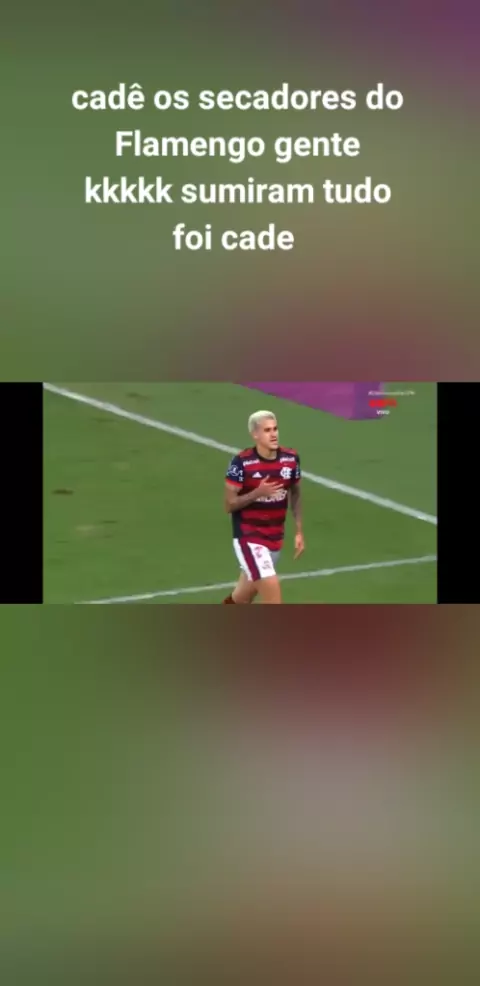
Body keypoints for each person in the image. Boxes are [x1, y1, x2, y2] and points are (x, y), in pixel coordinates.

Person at [222, 410, 304, 604]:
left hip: (274, 538)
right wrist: (257, 493)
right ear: (255, 434)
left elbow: (295, 493)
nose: (273, 434)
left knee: (242, 597)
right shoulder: (242, 463)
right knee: (273, 597)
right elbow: (229, 505)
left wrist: (299, 530)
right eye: (267, 430)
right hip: (249, 537)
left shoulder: (290, 459)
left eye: (275, 429)